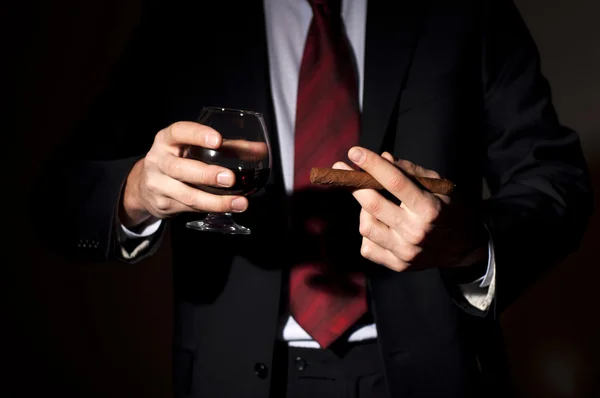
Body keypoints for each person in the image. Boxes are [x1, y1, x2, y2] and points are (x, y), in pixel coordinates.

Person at [33, 0, 593, 397]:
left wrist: (471, 243)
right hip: (232, 377)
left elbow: (555, 177)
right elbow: (59, 202)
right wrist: (136, 192)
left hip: (435, 372)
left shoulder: (464, 9)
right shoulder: (184, 16)